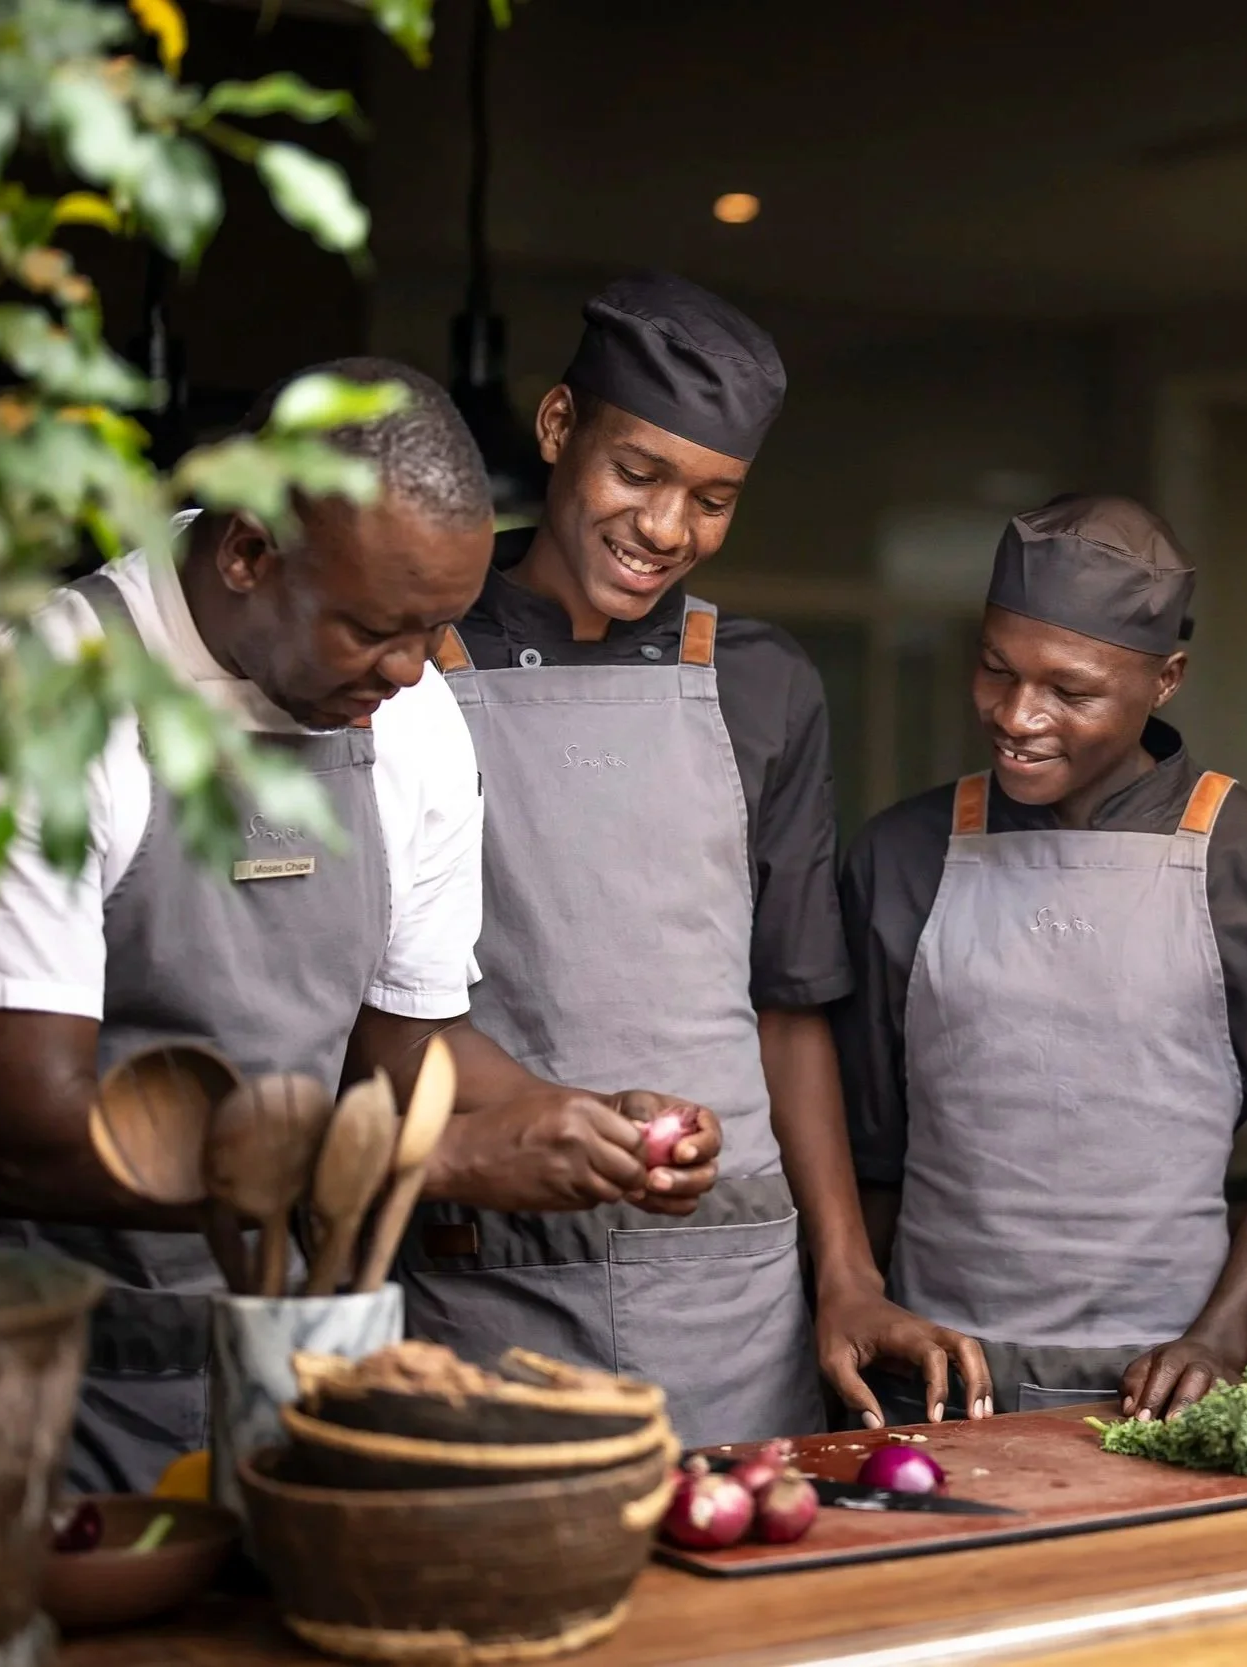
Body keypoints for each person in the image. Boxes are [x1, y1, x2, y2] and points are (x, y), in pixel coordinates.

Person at [0, 358, 718, 1494]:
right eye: (376, 629)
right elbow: (27, 1140)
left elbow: (402, 1056)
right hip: (31, 1389)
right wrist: (444, 1162)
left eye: (437, 627)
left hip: (298, 1375)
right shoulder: (43, 706)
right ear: (247, 553)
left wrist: (562, 1116)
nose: (415, 667)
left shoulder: (411, 719)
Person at [400, 274, 988, 1446]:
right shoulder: (407, 663)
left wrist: (848, 1277)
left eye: (714, 498)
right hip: (481, 1289)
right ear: (560, 429)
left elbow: (791, 1007)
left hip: (733, 1306)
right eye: (639, 473)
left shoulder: (764, 682)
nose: (668, 528)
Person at [834, 494, 1247, 1421]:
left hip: (1162, 1387)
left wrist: (1218, 1338)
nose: (1017, 714)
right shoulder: (902, 853)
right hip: (924, 1379)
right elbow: (870, 1152)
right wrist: (853, 1309)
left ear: (1166, 678)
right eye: (996, 669)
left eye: (1071, 691)